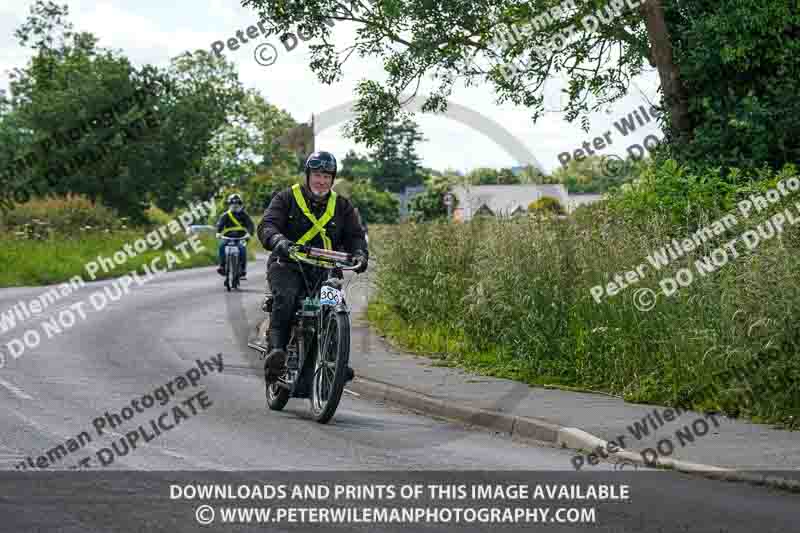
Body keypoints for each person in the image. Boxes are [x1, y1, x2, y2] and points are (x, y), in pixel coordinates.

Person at [257, 150, 368, 382]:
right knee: (286, 298)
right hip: (287, 264)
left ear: (333, 179)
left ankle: (336, 360)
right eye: (317, 175)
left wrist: (360, 254)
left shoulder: (343, 206)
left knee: (334, 305)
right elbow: (267, 225)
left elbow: (356, 235)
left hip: (326, 269)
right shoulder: (286, 198)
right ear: (308, 175)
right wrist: (278, 241)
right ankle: (276, 352)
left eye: (327, 176)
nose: (322, 181)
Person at [216, 193, 255, 279]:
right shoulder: (225, 215)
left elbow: (250, 225)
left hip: (241, 237)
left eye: (237, 203)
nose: (235, 205)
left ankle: (242, 270)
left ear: (240, 204)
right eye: (233, 203)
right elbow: (220, 225)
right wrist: (218, 233)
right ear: (229, 204)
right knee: (222, 246)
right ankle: (222, 266)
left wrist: (249, 234)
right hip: (228, 238)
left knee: (242, 249)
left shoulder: (244, 215)